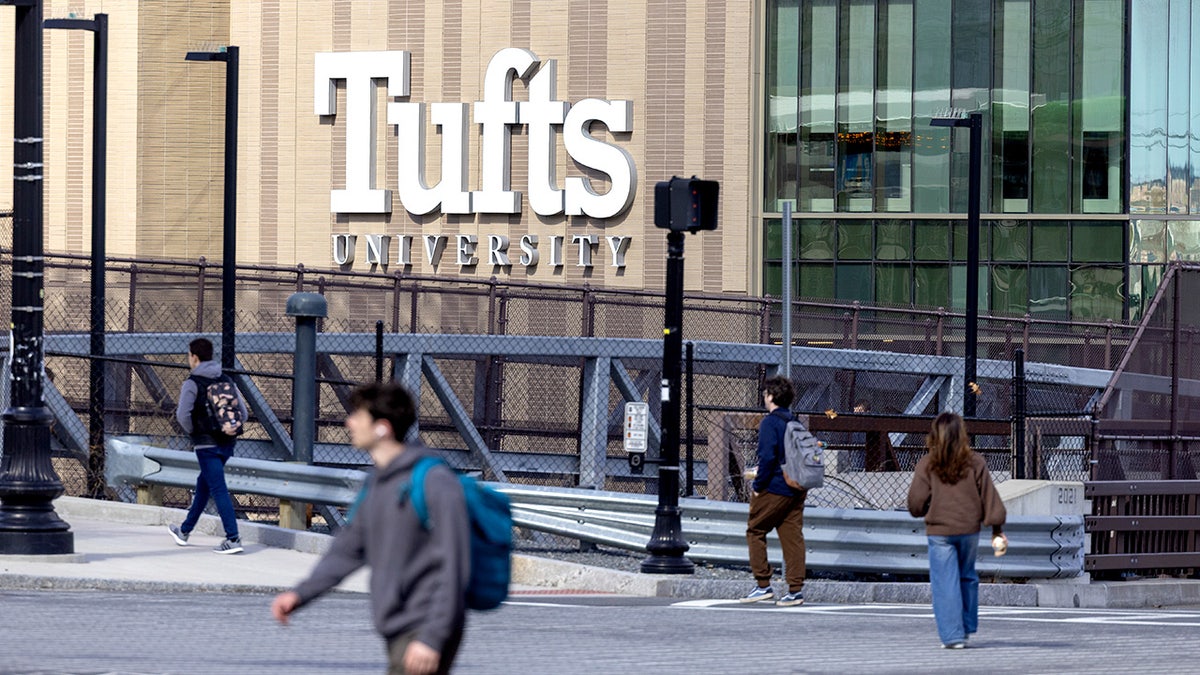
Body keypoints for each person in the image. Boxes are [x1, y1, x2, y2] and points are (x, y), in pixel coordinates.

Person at [271, 383, 470, 675]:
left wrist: (432, 637)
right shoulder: (378, 482)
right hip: (398, 627)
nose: (348, 422)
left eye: (357, 416)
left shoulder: (435, 482)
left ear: (382, 428)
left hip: (423, 628)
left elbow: (456, 565)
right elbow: (348, 549)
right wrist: (301, 594)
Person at [906, 412, 1007, 649]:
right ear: (962, 434)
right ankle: (967, 624)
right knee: (967, 576)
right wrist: (996, 529)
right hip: (969, 529)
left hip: (940, 531)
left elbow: (915, 503)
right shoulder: (975, 462)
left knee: (945, 581)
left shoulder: (928, 463)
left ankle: (953, 635)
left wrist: (924, 510)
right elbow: (990, 498)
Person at [167, 337, 248, 554]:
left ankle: (233, 538)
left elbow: (182, 415)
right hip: (228, 443)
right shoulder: (226, 380)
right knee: (203, 485)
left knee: (218, 489)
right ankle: (184, 531)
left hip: (206, 445)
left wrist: (195, 432)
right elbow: (244, 413)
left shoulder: (192, 382)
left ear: (194, 357)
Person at [741, 375, 807, 607]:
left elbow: (768, 457)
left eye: (765, 394)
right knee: (792, 538)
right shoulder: (795, 422)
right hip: (797, 487)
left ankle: (763, 585)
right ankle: (795, 590)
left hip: (776, 486)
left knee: (755, 530)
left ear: (771, 396)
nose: (764, 397)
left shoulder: (770, 422)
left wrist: (758, 487)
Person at [854, 400, 899, 472]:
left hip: (866, 446)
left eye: (860, 411)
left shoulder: (872, 421)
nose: (857, 414)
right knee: (857, 462)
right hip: (859, 446)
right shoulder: (855, 423)